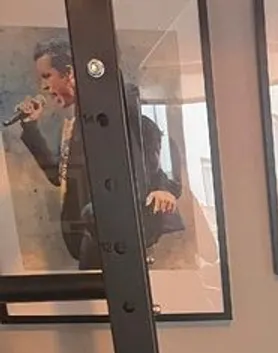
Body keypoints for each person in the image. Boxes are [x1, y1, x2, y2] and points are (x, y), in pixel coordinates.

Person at [15, 37, 185, 269]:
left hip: (114, 236)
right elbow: (58, 175)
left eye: (47, 76)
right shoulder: (73, 128)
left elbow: (153, 170)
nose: (43, 87)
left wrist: (162, 189)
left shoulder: (127, 117)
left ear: (71, 73)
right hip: (88, 239)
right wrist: (31, 128)